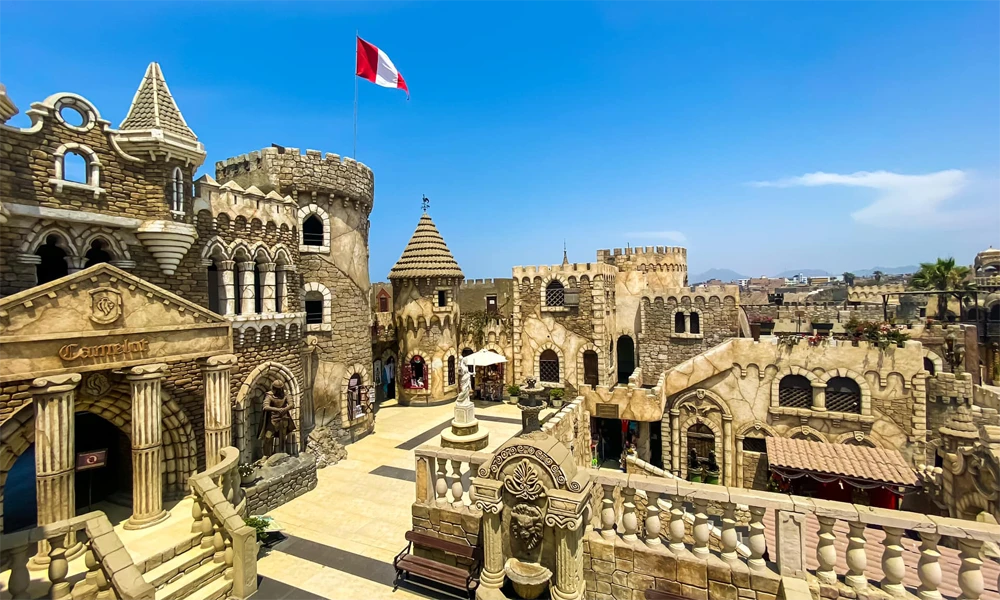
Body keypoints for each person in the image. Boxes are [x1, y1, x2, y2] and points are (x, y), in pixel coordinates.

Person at [259, 380, 295, 457]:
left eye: (280, 389)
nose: (279, 391)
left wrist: (285, 409)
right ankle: (267, 455)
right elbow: (266, 406)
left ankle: (281, 454)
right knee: (268, 437)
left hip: (284, 419)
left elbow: (291, 404)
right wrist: (277, 409)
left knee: (282, 438)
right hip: (273, 420)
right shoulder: (269, 395)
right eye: (277, 389)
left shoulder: (285, 394)